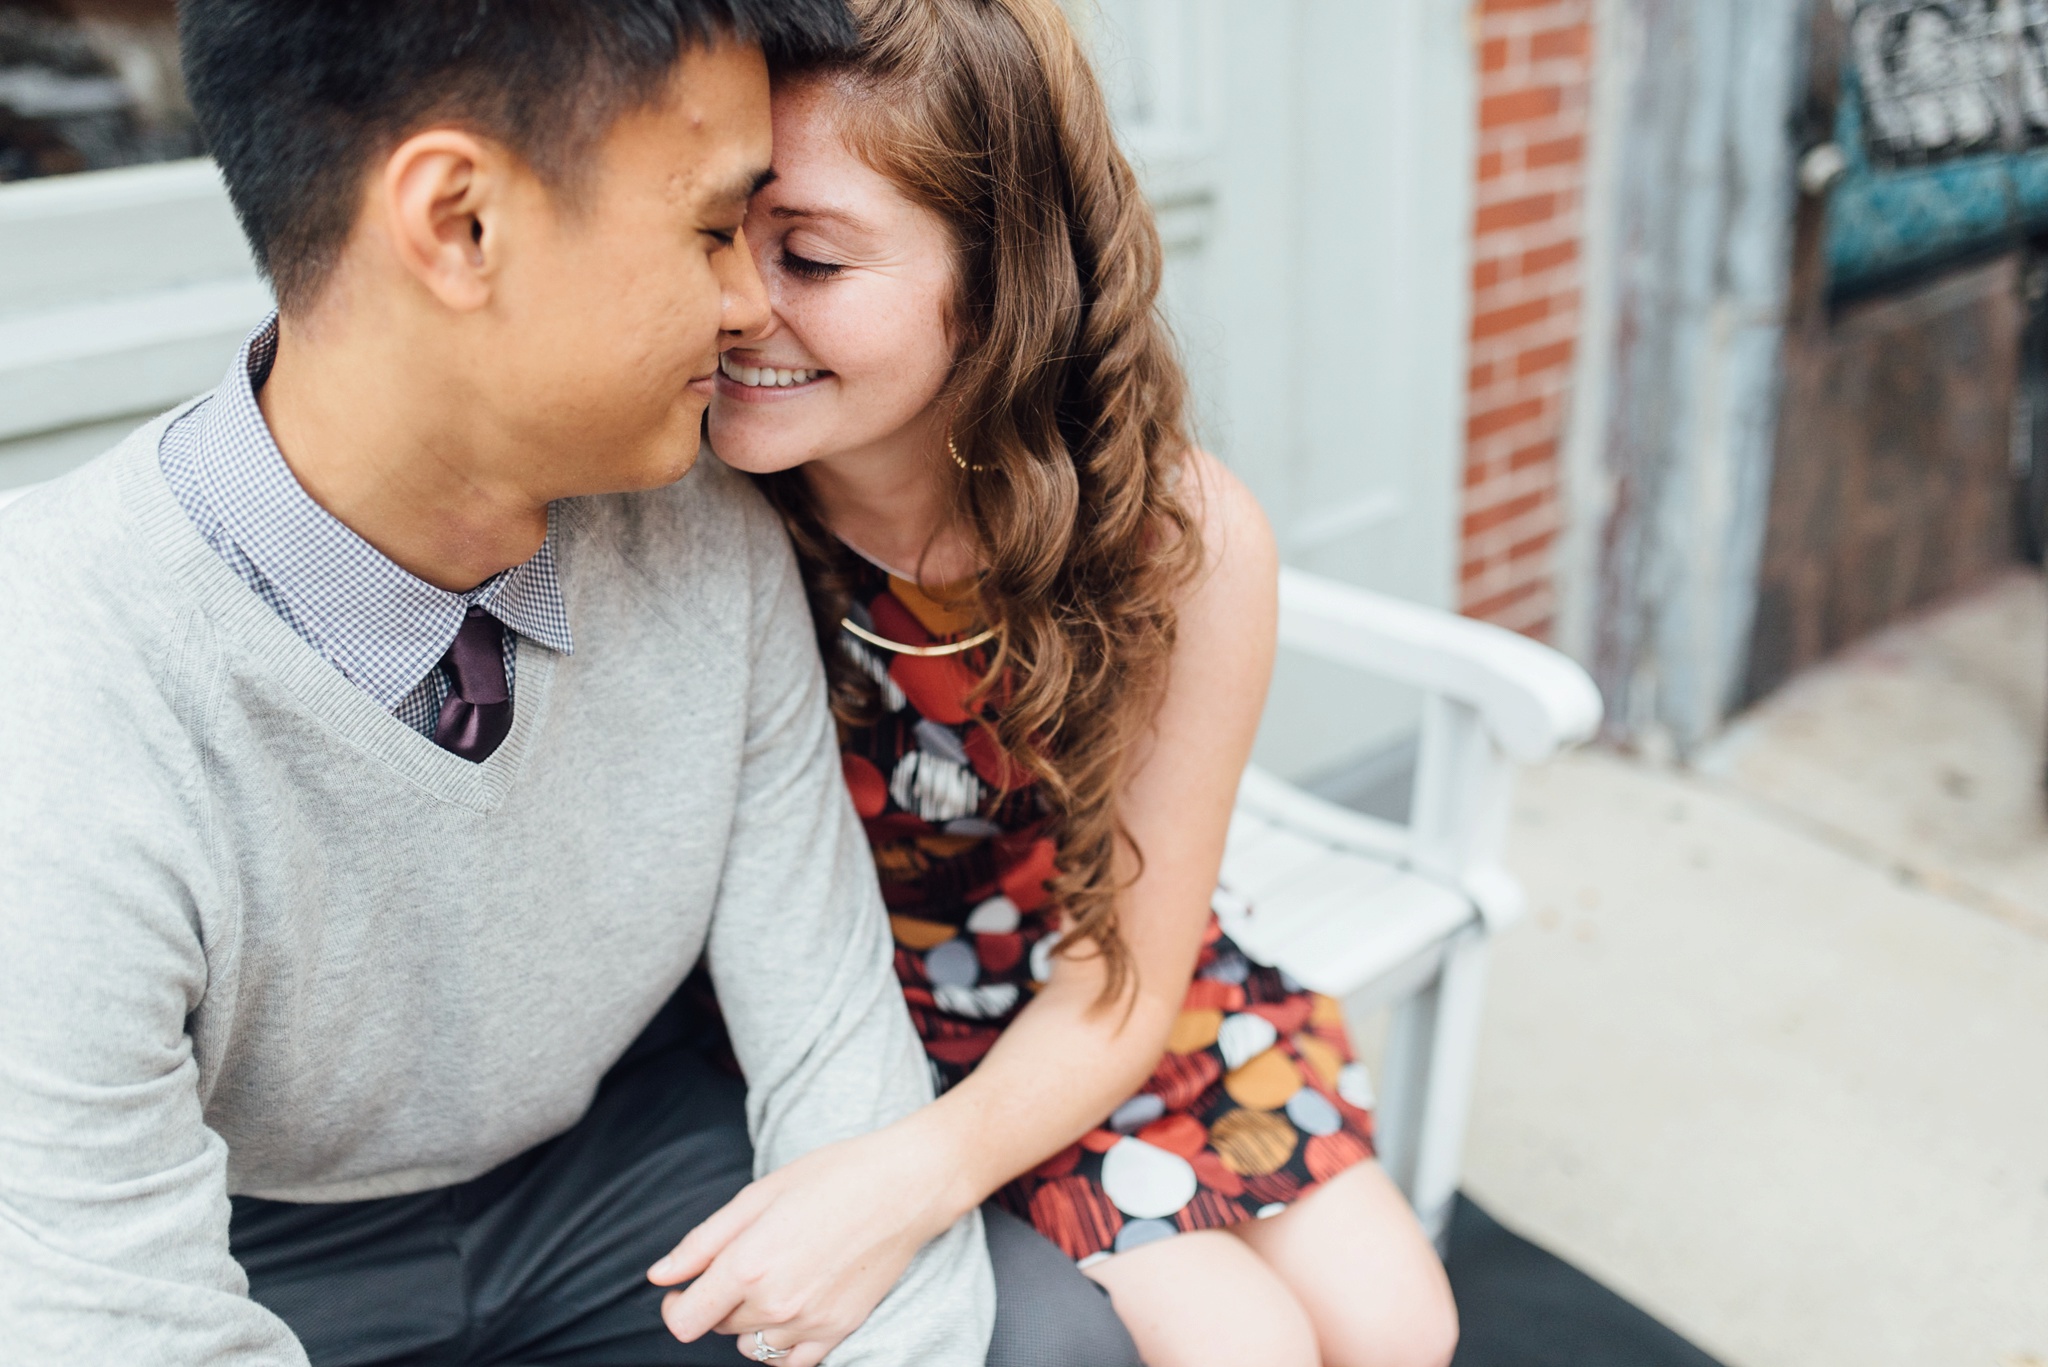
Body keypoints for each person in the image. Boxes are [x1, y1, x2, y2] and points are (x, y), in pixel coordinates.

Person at [0, 3, 1054, 1364]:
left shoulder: (710, 530)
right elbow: (117, 1318)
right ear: (459, 223)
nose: (750, 308)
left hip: (627, 1177)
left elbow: (833, 1059)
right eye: (711, 231)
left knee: (1042, 1331)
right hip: (249, 1235)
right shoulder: (56, 685)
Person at [676, 2, 1465, 1365]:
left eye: (806, 253)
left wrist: (930, 1170)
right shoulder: (698, 511)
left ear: (996, 279)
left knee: (1400, 1324)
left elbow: (1129, 962)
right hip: (865, 1014)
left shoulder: (1178, 544)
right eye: (714, 234)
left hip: (1109, 986)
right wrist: (905, 1162)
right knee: (1243, 1349)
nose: (742, 303)